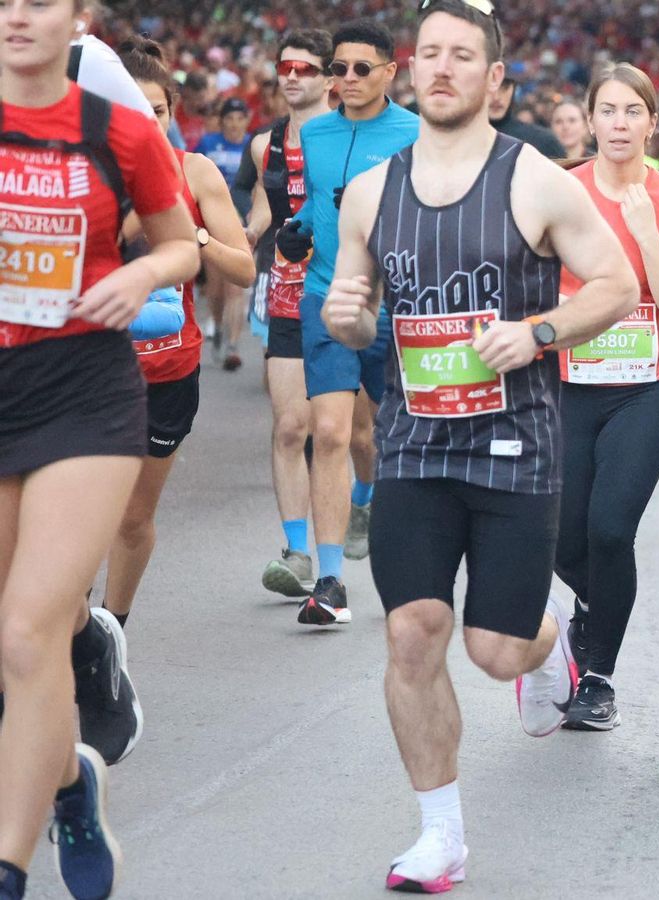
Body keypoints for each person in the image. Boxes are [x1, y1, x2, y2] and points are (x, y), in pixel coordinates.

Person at [321, 4, 638, 889]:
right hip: (415, 445)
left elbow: (614, 285)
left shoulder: (537, 180)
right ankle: (441, 835)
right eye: (430, 55)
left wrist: (538, 331)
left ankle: (551, 639)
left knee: (494, 650)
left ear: (496, 79)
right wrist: (348, 317)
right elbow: (352, 308)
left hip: (514, 446)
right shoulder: (372, 191)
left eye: (465, 56)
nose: (444, 69)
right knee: (413, 634)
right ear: (407, 70)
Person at [0, 0, 199, 894]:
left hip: (82, 387)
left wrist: (140, 273)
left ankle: (8, 866)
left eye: (36, 1)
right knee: (11, 637)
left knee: (25, 627)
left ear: (78, 15)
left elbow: (182, 246)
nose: (14, 17)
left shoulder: (115, 126)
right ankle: (72, 779)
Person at [557, 62, 659, 731]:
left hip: (644, 388)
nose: (619, 124)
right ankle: (597, 604)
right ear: (590, 120)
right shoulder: (560, 192)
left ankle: (599, 678)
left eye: (631, 112)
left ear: (652, 121)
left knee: (610, 530)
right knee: (561, 537)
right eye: (607, 111)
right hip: (566, 384)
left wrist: (645, 230)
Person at [101, 42, 255, 633]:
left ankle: (111, 630)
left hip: (167, 371)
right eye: (134, 109)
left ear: (173, 114)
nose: (148, 121)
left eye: (158, 111)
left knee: (133, 517)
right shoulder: (86, 172)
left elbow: (242, 269)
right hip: (89, 370)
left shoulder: (196, 172)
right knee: (78, 513)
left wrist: (191, 235)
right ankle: (64, 625)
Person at [276, 19, 420, 628]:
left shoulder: (416, 133)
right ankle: (330, 582)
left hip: (401, 305)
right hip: (327, 295)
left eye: (362, 68)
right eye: (338, 68)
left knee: (399, 439)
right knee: (330, 431)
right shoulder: (319, 132)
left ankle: (413, 558)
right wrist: (300, 226)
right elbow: (315, 196)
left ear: (392, 71)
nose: (347, 78)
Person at [238, 30, 367, 599]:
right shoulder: (262, 144)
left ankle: (363, 500)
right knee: (292, 426)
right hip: (285, 294)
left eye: (306, 68)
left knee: (355, 433)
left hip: (345, 295)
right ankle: (297, 552)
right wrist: (238, 237)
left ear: (330, 78)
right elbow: (263, 210)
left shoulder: (352, 137)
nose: (292, 76)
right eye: (284, 67)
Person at [192, 96, 253, 370]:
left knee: (235, 287)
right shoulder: (207, 144)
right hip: (211, 222)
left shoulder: (252, 146)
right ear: (222, 121)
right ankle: (216, 324)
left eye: (239, 119)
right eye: (229, 119)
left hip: (240, 222)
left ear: (246, 121)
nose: (234, 125)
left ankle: (233, 345)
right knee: (215, 288)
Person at [488, 71, 563, 159]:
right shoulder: (468, 140)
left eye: (504, 87)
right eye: (490, 86)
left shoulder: (543, 142)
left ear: (513, 88)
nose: (496, 97)